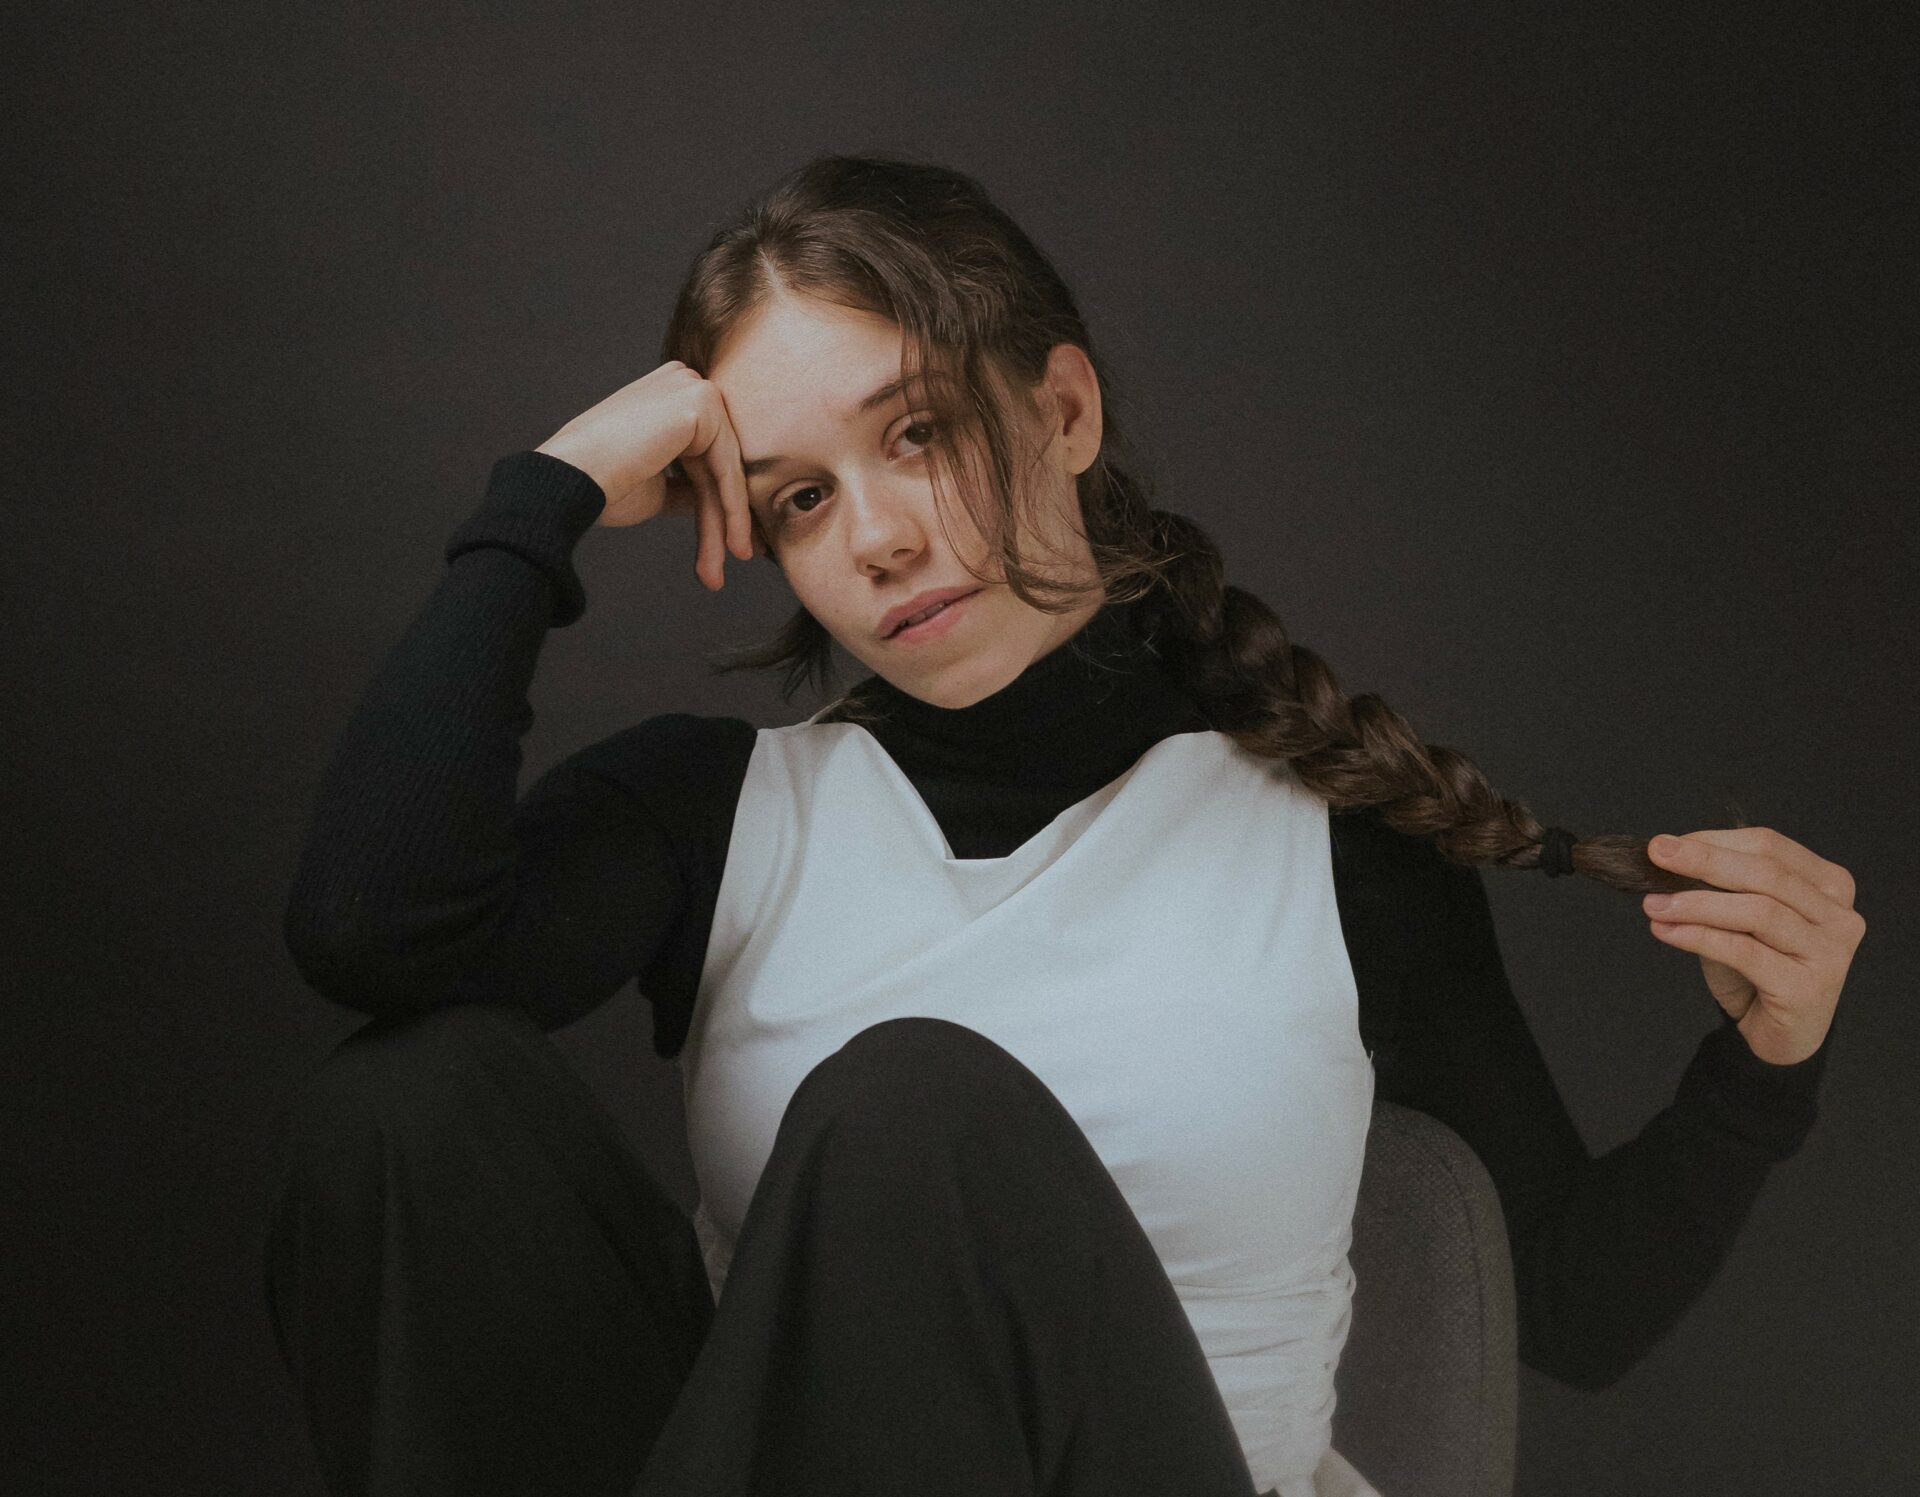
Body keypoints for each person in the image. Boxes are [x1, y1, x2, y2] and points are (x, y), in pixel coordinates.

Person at [264, 154, 1864, 1497]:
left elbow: (1574, 1308)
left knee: (912, 1106)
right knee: (404, 1104)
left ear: (1067, 410)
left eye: (917, 433)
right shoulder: (719, 814)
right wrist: (540, 502)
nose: (878, 538)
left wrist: (1763, 1070)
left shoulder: (1325, 837)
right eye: (802, 495)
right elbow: (372, 933)